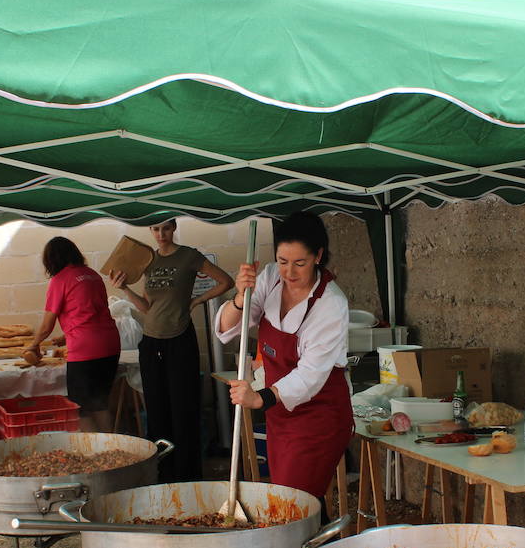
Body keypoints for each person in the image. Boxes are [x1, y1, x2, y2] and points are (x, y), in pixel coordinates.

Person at [216, 213, 352, 500]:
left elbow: (310, 375)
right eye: (282, 261)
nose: (289, 272)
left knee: (292, 502)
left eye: (299, 263)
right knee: (292, 498)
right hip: (280, 414)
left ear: (318, 256)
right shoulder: (269, 278)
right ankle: (319, 537)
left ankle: (311, 540)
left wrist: (260, 398)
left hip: (318, 417)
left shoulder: (331, 304)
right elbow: (227, 328)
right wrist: (241, 296)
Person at [109, 220, 233, 481]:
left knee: (184, 408)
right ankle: (162, 475)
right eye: (155, 229)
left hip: (180, 339)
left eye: (165, 228)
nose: (161, 234)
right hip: (151, 341)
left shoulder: (188, 255)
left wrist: (196, 301)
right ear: (150, 232)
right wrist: (124, 289)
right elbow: (146, 307)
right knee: (156, 410)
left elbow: (226, 281)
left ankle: (188, 475)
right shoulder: (149, 260)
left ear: (174, 227)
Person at [25, 237, 121, 432]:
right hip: (110, 343)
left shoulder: (60, 280)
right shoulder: (92, 275)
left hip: (86, 350)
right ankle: (112, 449)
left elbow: (46, 326)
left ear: (51, 260)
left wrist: (33, 344)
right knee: (100, 403)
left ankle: (97, 456)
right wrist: (64, 337)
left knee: (81, 409)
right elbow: (90, 313)